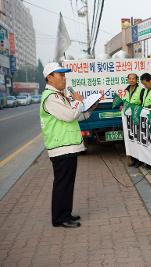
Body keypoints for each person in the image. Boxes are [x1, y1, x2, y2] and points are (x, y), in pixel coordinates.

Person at [40, 62, 93, 228]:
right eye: (60, 75)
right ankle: (59, 218)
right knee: (62, 183)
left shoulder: (59, 95)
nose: (64, 78)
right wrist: (77, 102)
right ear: (50, 78)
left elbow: (75, 117)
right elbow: (70, 115)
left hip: (68, 146)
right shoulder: (51, 97)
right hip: (60, 147)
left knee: (67, 183)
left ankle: (66, 214)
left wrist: (89, 109)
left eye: (64, 74)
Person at [123, 73, 145, 168]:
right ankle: (133, 159)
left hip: (137, 118)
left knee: (138, 139)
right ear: (127, 79)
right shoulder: (126, 90)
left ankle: (139, 160)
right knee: (131, 139)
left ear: (137, 80)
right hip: (128, 119)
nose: (131, 80)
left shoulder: (141, 90)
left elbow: (142, 104)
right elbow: (124, 102)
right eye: (130, 78)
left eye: (133, 79)